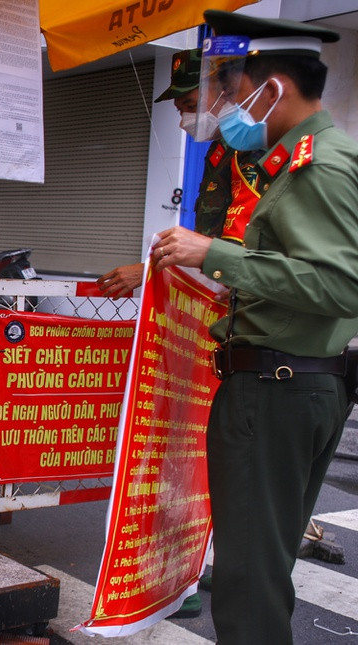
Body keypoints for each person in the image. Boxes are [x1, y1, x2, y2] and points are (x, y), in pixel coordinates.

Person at [152, 11, 358, 644]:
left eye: (238, 92)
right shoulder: (306, 159)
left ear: (275, 88)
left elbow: (337, 284)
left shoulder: (317, 166)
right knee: (263, 569)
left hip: (277, 387)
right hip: (293, 380)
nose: (230, 107)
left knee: (248, 581)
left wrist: (213, 255)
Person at [96, 49, 262, 300]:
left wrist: (149, 270)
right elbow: (210, 238)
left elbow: (238, 246)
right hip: (217, 294)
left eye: (191, 105)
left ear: (226, 91)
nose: (185, 118)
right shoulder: (220, 149)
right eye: (180, 109)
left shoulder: (250, 147)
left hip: (243, 295)